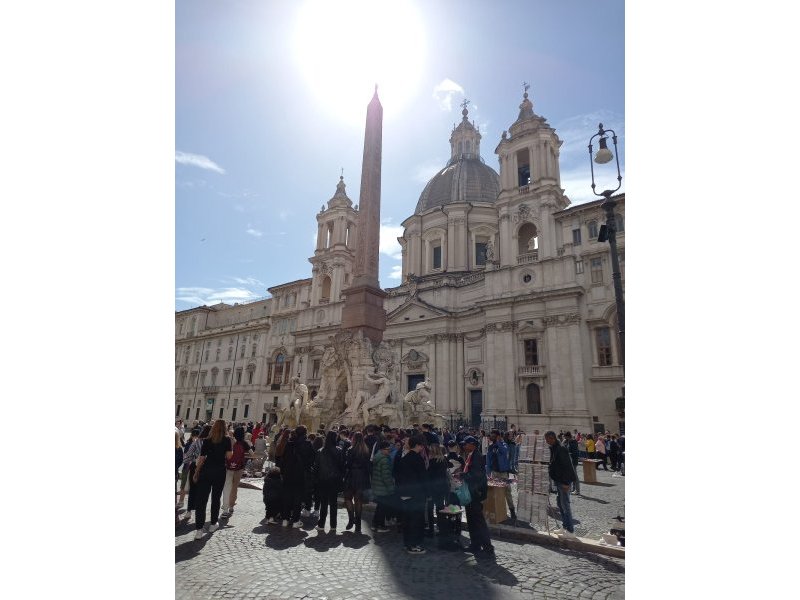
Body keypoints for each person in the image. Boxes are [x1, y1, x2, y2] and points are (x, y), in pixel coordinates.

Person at [193, 420, 233, 540]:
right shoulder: (227, 440)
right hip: (219, 471)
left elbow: (201, 458)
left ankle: (199, 529)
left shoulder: (207, 440)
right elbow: (229, 456)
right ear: (225, 428)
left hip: (206, 470)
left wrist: (196, 471)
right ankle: (213, 524)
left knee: (201, 500)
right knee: (216, 498)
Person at [395, 434, 428, 554]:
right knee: (416, 520)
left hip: (404, 493)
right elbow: (423, 478)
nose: (422, 447)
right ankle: (414, 545)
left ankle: (407, 543)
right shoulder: (418, 459)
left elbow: (398, 475)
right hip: (416, 494)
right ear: (418, 445)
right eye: (421, 445)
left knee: (407, 520)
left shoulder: (404, 458)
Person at [461, 436, 493, 554]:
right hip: (471, 492)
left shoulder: (477, 457)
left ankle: (487, 547)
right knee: (472, 520)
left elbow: (475, 476)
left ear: (472, 445)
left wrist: (463, 475)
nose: (464, 446)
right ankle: (475, 544)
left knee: (478, 521)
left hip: (475, 493)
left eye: (466, 444)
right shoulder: (472, 455)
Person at [280, 425, 315, 528]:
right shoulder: (307, 444)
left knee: (287, 496)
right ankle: (295, 520)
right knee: (297, 498)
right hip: (301, 474)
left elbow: (283, 459)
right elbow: (312, 459)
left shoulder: (290, 443)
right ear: (305, 433)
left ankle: (285, 519)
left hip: (288, 473)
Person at [545, 431, 576, 538]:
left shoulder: (561, 449)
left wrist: (566, 483)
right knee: (560, 504)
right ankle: (565, 526)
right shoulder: (554, 448)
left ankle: (570, 531)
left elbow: (567, 466)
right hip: (558, 480)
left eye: (547, 439)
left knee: (565, 505)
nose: (546, 442)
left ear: (552, 438)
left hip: (564, 481)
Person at [314, 430, 345, 532]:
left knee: (323, 503)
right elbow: (342, 466)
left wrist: (317, 478)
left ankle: (321, 524)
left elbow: (316, 467)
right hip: (334, 480)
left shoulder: (320, 451)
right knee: (333, 503)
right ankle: (333, 525)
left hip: (323, 479)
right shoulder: (339, 450)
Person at [343, 432, 371, 534]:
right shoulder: (366, 450)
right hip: (362, 476)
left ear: (354, 439)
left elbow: (348, 464)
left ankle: (351, 519)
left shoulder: (351, 450)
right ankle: (358, 524)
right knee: (358, 500)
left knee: (348, 498)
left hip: (352, 475)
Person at [486, 429, 516, 521]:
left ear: (498, 436)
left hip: (503, 473)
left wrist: (498, 442)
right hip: (495, 472)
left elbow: (504, 451)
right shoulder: (491, 447)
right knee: (496, 492)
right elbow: (488, 460)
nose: (492, 438)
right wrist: (488, 472)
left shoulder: (503, 444)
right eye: (491, 436)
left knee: (507, 492)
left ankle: (512, 510)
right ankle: (499, 510)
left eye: (494, 436)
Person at [221, 426, 251, 518]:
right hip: (239, 467)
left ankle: (225, 508)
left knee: (227, 486)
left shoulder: (230, 441)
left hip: (229, 467)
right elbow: (252, 454)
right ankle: (231, 506)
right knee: (234, 487)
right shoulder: (244, 443)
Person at [425, 441, 449, 536]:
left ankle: (431, 529)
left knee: (430, 509)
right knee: (440, 508)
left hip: (433, 489)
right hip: (442, 487)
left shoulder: (432, 462)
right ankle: (441, 527)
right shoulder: (443, 460)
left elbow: (429, 477)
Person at [371, 441, 395, 533]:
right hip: (383, 487)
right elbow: (386, 476)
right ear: (382, 449)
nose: (389, 451)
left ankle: (374, 524)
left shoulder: (377, 457)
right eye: (387, 449)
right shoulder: (384, 460)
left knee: (379, 507)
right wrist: (391, 488)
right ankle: (380, 525)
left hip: (378, 486)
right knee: (382, 508)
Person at [177, 428, 200, 511]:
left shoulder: (198, 443)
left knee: (191, 486)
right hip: (187, 467)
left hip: (192, 467)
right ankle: (181, 501)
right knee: (183, 485)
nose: (196, 438)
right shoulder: (189, 443)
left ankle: (190, 503)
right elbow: (185, 455)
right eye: (195, 436)